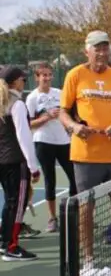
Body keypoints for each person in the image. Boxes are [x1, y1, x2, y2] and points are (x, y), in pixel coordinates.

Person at [59, 30, 111, 273]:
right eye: (97, 48)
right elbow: (63, 112)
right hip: (85, 156)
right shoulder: (74, 75)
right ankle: (89, 262)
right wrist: (75, 127)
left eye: (105, 48)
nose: (102, 53)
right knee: (86, 209)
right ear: (87, 50)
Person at [26, 62, 77, 233]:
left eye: (49, 75)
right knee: (50, 180)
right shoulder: (32, 98)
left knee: (74, 177)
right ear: (37, 77)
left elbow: (68, 114)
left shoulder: (60, 93)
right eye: (43, 75)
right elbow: (29, 124)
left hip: (64, 141)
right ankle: (52, 218)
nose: (47, 78)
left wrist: (69, 126)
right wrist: (47, 117)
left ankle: (73, 215)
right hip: (43, 142)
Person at [0, 66, 41, 261]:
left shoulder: (3, 102)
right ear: (15, 82)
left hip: (2, 161)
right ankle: (12, 246)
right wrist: (33, 166)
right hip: (15, 161)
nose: (24, 83)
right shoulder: (17, 104)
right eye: (23, 80)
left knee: (9, 202)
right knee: (17, 204)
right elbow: (23, 137)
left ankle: (4, 241)